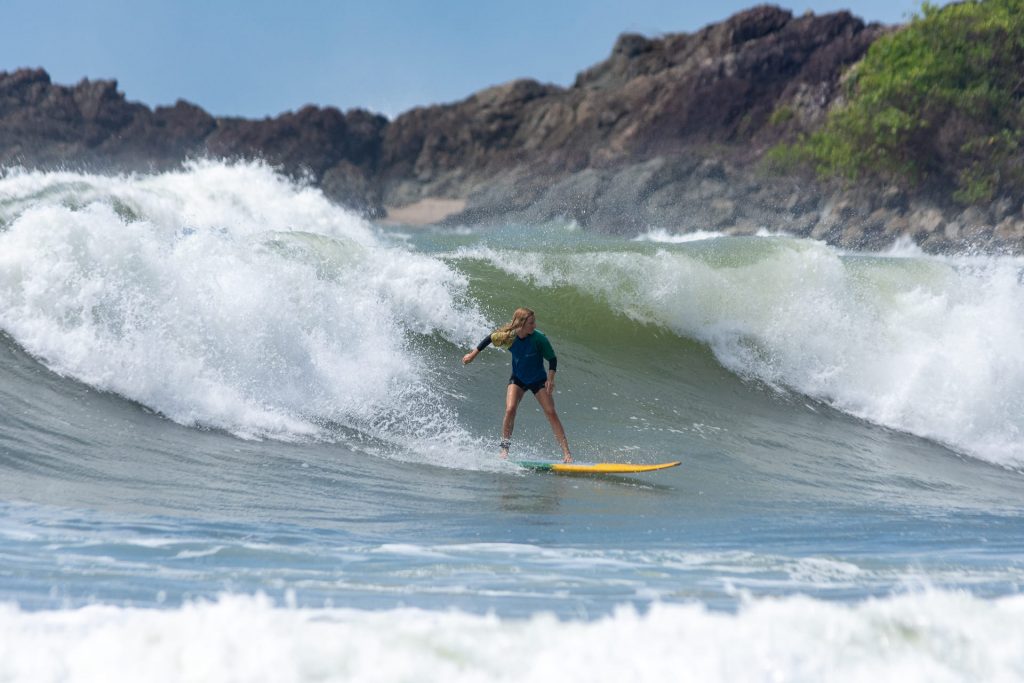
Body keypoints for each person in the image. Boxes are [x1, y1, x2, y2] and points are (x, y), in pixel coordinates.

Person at [462, 307, 573, 462]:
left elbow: (552, 359)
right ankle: (504, 450)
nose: (534, 326)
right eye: (531, 323)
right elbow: (490, 338)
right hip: (518, 378)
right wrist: (472, 355)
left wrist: (550, 379)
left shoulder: (539, 338)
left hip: (538, 380)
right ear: (521, 323)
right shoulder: (509, 337)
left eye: (534, 322)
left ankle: (567, 454)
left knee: (551, 412)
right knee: (510, 409)